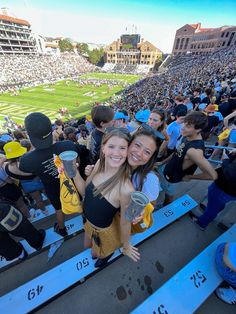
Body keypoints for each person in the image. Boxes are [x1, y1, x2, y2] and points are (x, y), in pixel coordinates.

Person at [81, 129, 140, 268]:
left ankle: (108, 255)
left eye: (122, 148)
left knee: (97, 254)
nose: (116, 153)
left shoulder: (126, 189)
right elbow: (84, 191)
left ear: (128, 152)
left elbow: (126, 223)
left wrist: (126, 247)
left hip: (103, 231)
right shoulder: (98, 165)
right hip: (87, 222)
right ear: (103, 148)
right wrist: (71, 170)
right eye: (111, 146)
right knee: (87, 247)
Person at [19, 112, 82, 236]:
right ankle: (86, 218)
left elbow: (27, 172)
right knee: (79, 200)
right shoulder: (68, 145)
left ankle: (62, 229)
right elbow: (77, 160)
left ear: (29, 135)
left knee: (58, 209)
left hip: (52, 188)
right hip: (72, 182)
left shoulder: (26, 160)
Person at [159, 111, 218, 204]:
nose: (183, 127)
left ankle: (165, 207)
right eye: (184, 124)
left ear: (198, 129)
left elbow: (212, 175)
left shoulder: (194, 151)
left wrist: (190, 176)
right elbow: (177, 152)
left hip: (173, 178)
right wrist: (162, 163)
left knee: (169, 194)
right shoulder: (187, 136)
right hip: (167, 169)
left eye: (188, 126)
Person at [189, 150, 236, 230]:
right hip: (229, 190)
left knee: (213, 204)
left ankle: (202, 223)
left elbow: (230, 173)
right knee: (217, 204)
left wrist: (225, 159)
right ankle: (211, 212)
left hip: (225, 188)